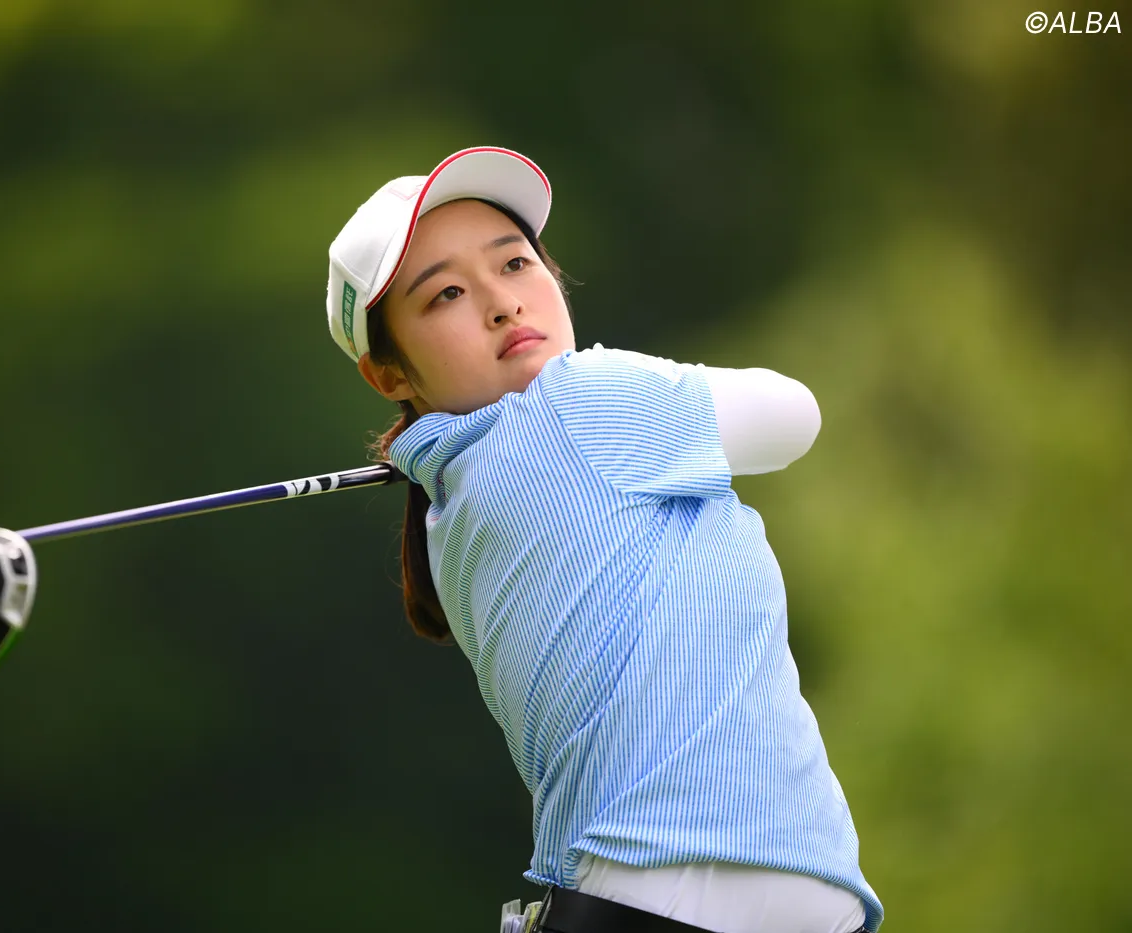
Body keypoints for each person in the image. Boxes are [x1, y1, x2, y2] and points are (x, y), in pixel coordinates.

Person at [324, 147, 883, 933]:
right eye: (446, 293)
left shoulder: (448, 505)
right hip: (685, 896)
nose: (501, 303)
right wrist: (613, 371)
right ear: (390, 375)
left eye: (514, 263)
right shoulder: (579, 400)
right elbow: (794, 414)